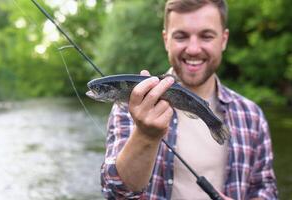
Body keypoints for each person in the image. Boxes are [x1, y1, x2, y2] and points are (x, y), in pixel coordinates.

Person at [100, 0, 278, 199]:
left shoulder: (252, 116)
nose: (193, 49)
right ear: (166, 39)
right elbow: (115, 193)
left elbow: (266, 189)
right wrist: (145, 136)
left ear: (224, 39)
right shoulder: (130, 104)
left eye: (206, 36)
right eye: (181, 36)